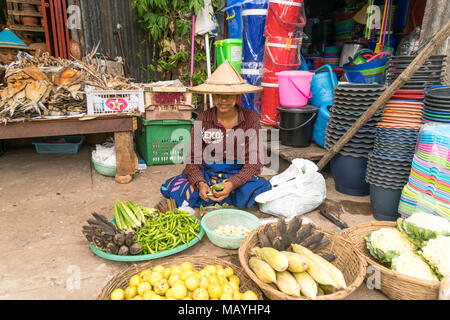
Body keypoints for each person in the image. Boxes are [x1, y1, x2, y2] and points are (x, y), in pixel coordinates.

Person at [161, 62, 272, 209]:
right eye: (218, 95)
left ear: (237, 95)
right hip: (208, 173)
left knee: (261, 188)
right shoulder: (203, 119)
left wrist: (232, 184)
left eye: (228, 95)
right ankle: (221, 195)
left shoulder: (250, 119)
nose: (223, 100)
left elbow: (254, 163)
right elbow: (193, 160)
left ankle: (227, 194)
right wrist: (200, 183)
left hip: (238, 174)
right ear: (213, 95)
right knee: (177, 188)